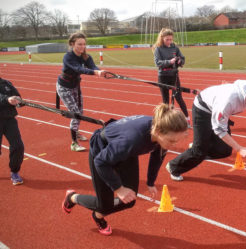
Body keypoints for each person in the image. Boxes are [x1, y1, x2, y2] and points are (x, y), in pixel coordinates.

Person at [62, 103, 188, 235]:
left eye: (176, 141)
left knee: (130, 200)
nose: (173, 145)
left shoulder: (161, 130)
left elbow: (158, 156)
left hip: (125, 153)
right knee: (105, 205)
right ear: (157, 132)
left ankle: (97, 215)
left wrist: (150, 182)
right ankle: (72, 198)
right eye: (172, 141)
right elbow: (100, 162)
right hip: (102, 153)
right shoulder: (132, 140)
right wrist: (119, 189)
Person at [166, 79, 246, 181]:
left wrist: (224, 88)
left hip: (217, 109)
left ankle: (200, 146)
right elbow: (219, 129)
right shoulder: (228, 102)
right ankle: (174, 167)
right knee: (199, 152)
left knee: (225, 150)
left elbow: (237, 83)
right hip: (202, 110)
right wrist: (239, 148)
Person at [56, 32, 106, 152]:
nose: (82, 47)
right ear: (72, 44)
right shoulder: (68, 57)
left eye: (84, 44)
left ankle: (76, 132)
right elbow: (79, 69)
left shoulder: (86, 57)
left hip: (75, 86)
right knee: (76, 113)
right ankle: (74, 143)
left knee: (80, 112)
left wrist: (100, 71)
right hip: (64, 87)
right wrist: (95, 73)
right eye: (79, 44)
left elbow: (93, 67)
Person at [153, 28, 191, 128]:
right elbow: (158, 63)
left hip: (174, 76)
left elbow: (182, 58)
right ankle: (165, 121)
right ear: (162, 38)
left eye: (171, 39)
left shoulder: (175, 47)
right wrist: (169, 62)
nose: (169, 41)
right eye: (167, 39)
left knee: (179, 97)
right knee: (165, 101)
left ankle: (187, 119)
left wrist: (180, 61)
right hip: (163, 76)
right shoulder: (158, 49)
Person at [0, 77, 25, 185]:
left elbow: (17, 96)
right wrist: (7, 100)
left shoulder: (6, 83)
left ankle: (14, 172)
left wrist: (19, 101)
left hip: (9, 120)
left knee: (18, 146)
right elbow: (4, 98)